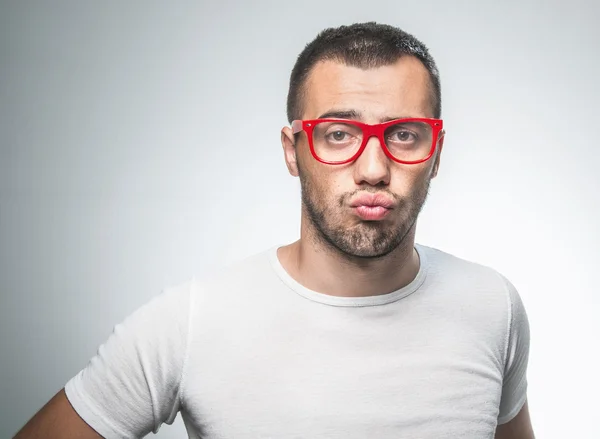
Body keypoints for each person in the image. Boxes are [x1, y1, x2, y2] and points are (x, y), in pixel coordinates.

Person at [14, 22, 534, 439]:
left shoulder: (493, 306)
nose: (373, 168)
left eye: (402, 134)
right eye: (338, 133)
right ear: (293, 152)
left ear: (436, 154)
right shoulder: (192, 324)